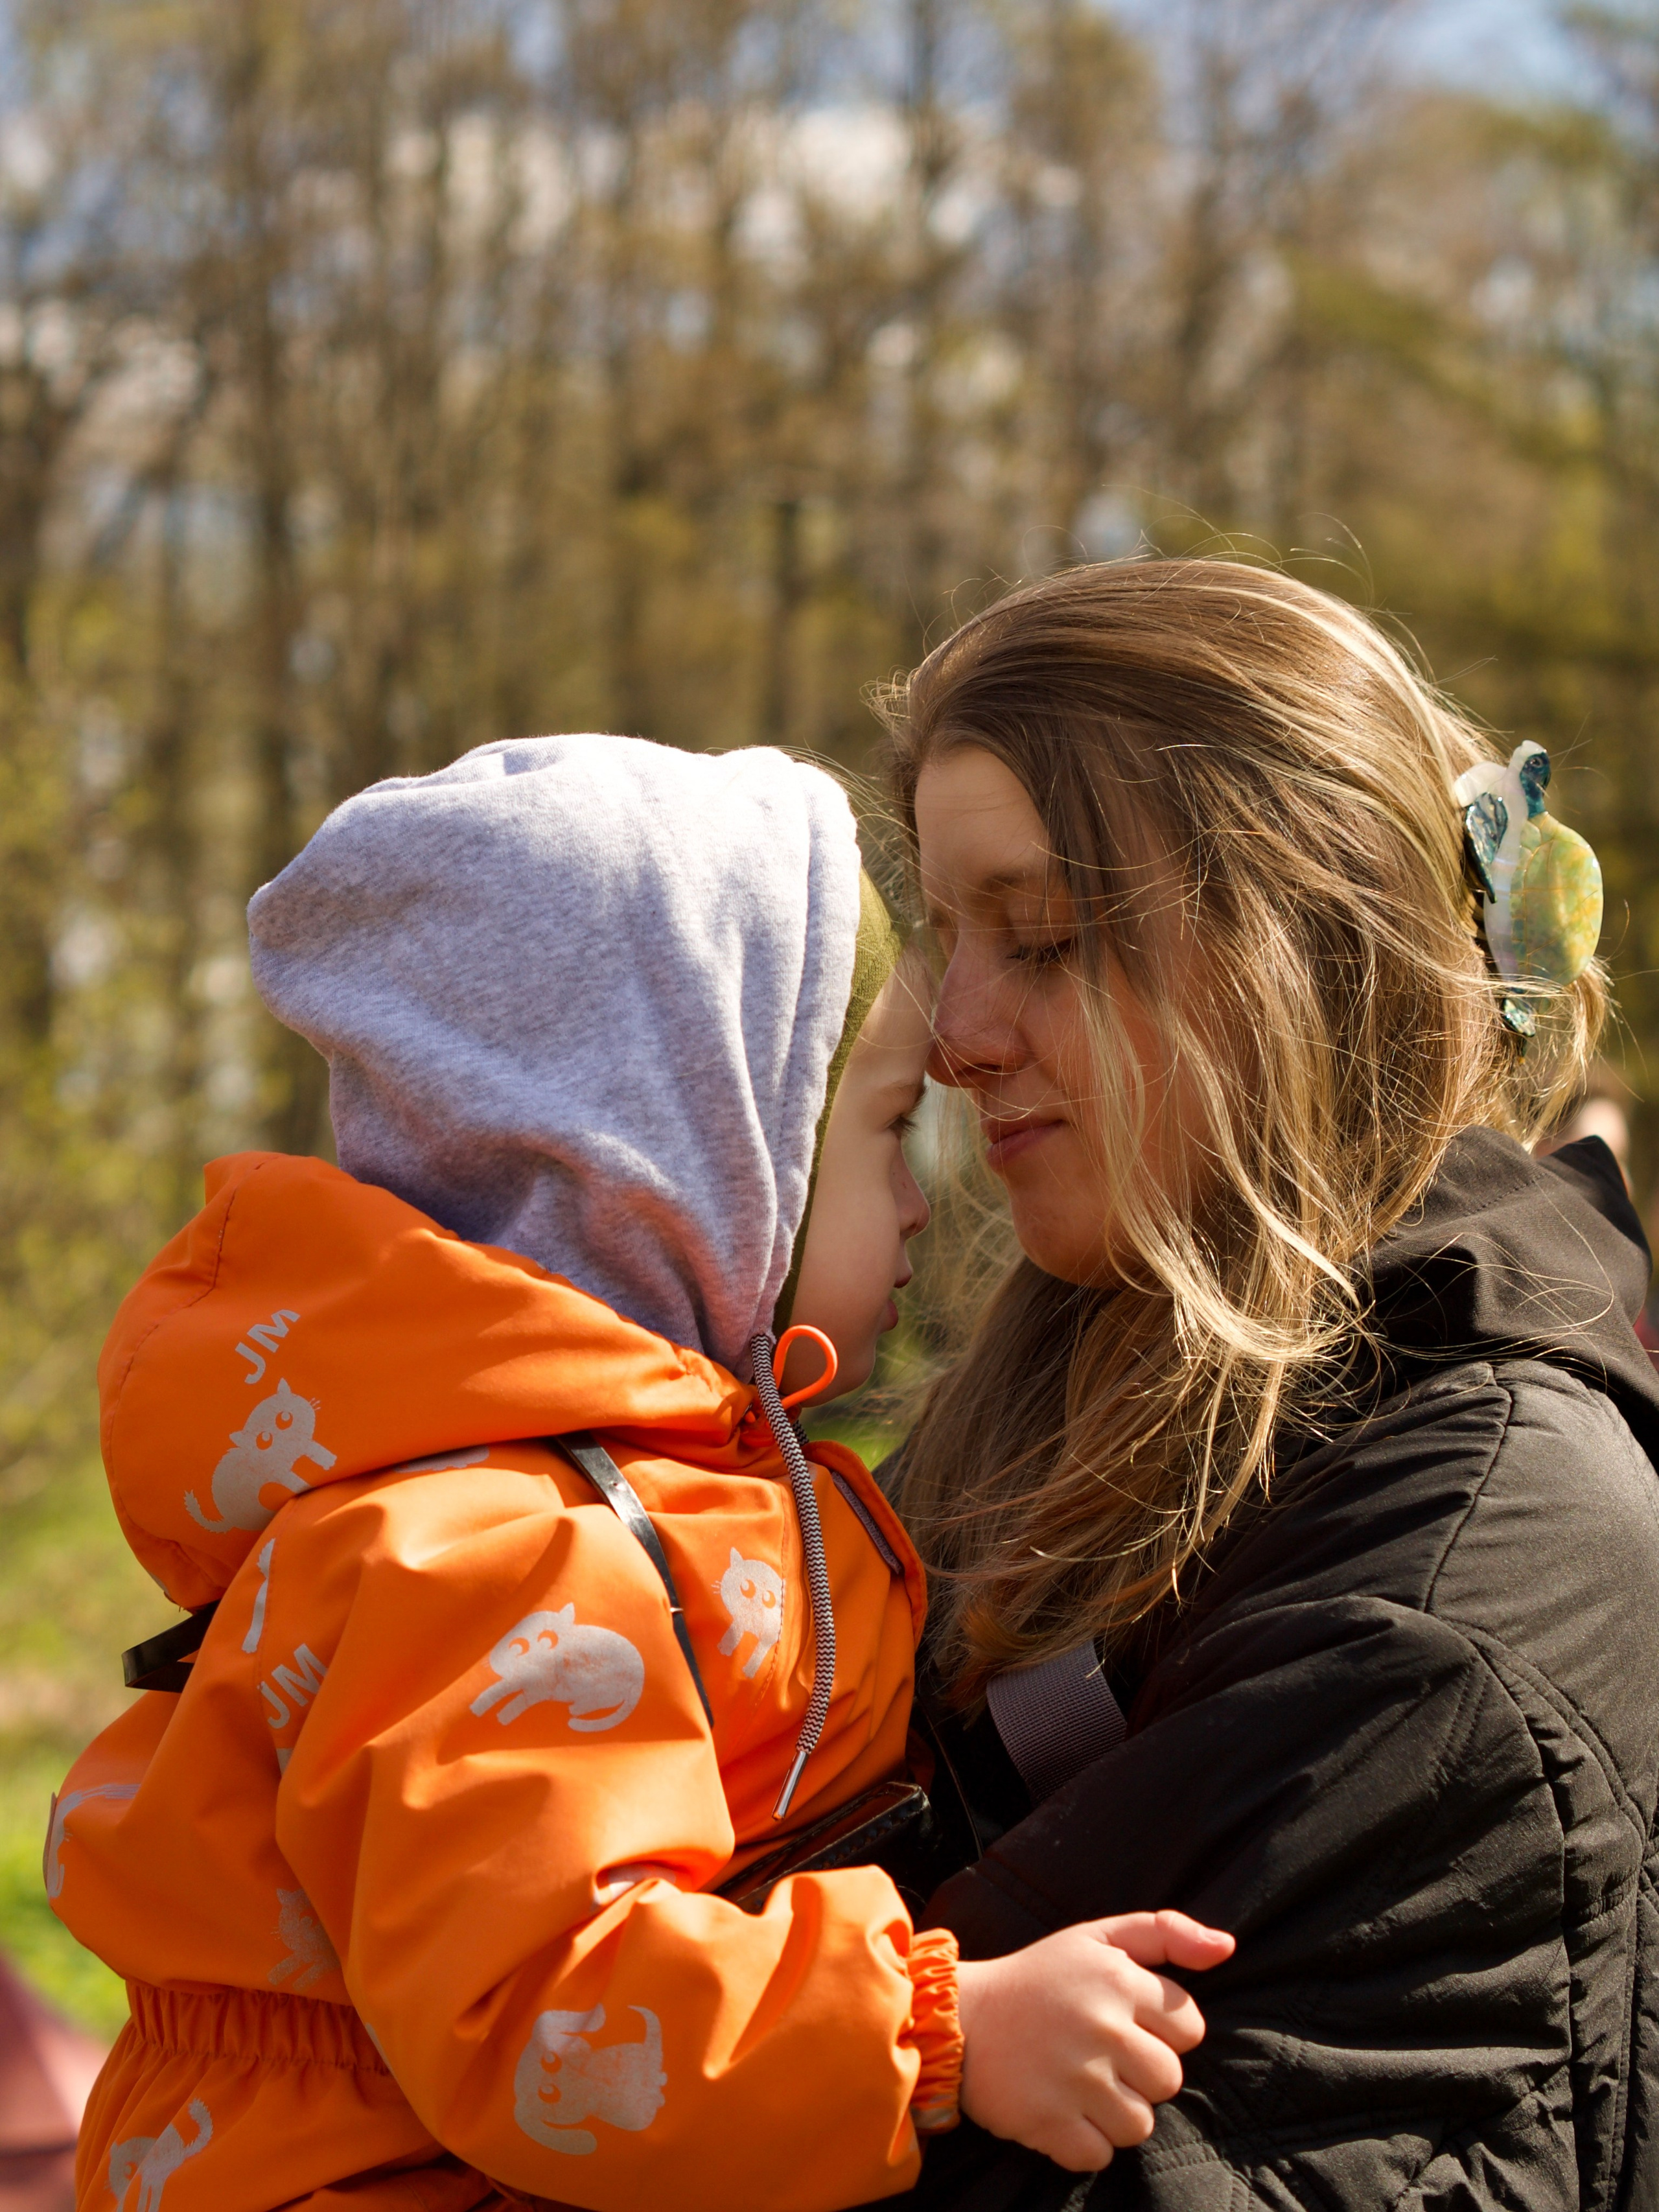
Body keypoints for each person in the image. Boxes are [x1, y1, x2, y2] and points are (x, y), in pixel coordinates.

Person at [49, 733, 1229, 2212]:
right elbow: (545, 2002)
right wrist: (936, 2032)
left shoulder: (603, 1492)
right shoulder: (505, 1552)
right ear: (678, 1180)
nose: (924, 1201)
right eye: (877, 1136)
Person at [871, 560, 1659, 2209]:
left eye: (1040, 936)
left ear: (1307, 951)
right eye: (949, 938)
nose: (949, 1034)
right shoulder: (1053, 1412)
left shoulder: (1458, 1576)